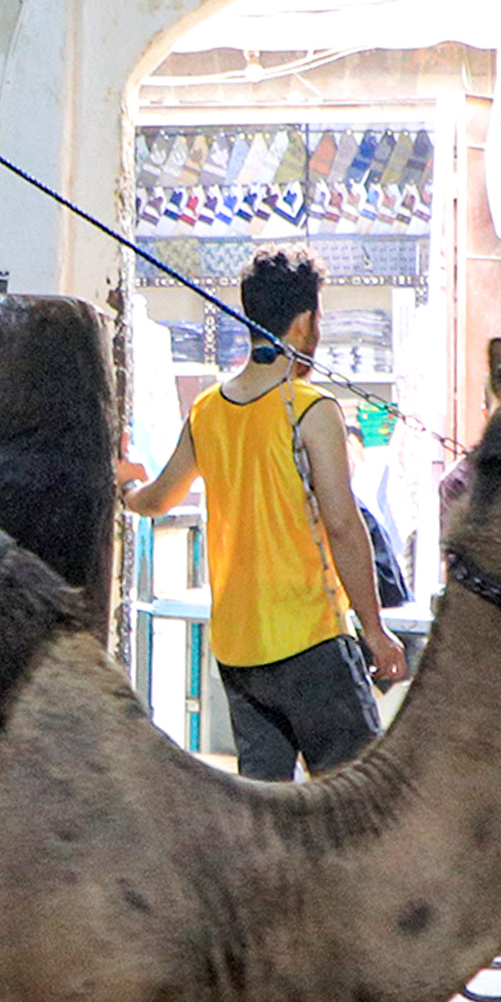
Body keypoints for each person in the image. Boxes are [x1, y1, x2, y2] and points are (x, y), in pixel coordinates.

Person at [115, 251, 406, 781]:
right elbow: (343, 526)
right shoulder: (314, 411)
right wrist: (376, 630)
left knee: (263, 816)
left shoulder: (207, 410)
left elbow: (157, 501)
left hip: (239, 655)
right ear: (304, 323)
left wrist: (128, 484)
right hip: (311, 644)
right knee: (359, 808)